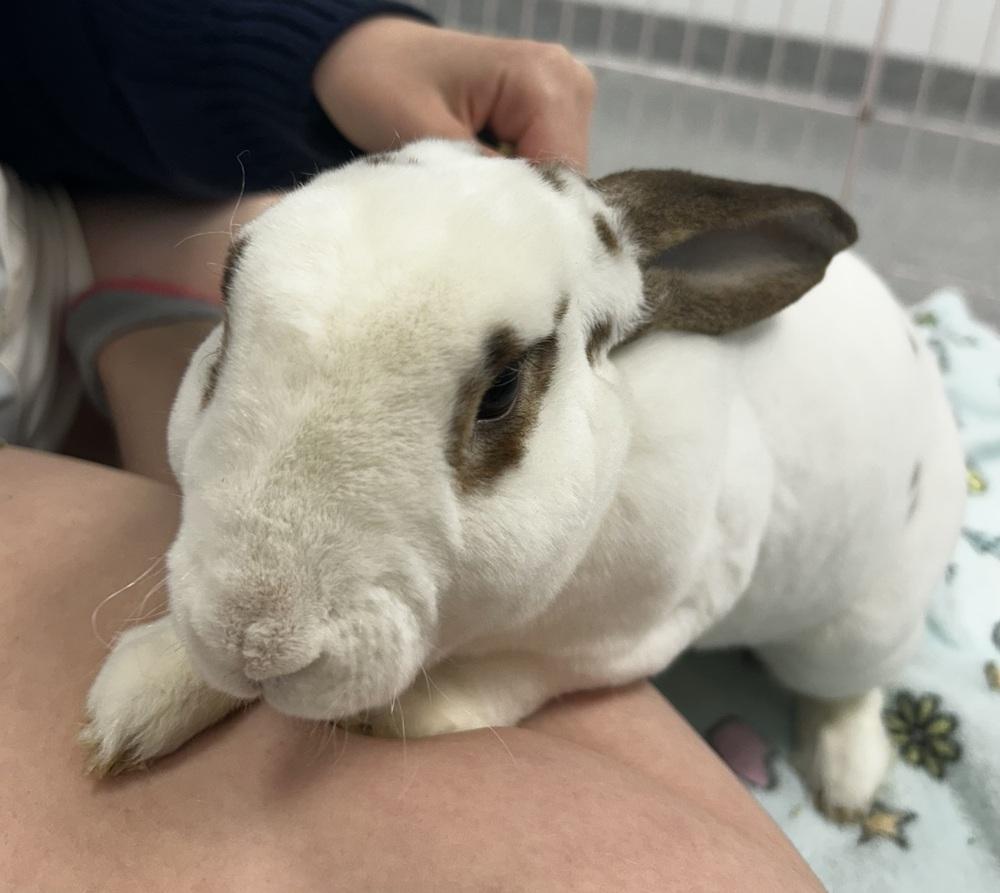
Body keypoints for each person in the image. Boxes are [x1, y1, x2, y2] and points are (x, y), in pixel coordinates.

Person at [0, 4, 822, 888]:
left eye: (500, 393)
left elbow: (696, 575)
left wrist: (339, 46)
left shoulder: (669, 467)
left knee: (839, 656)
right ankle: (133, 319)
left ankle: (851, 686)